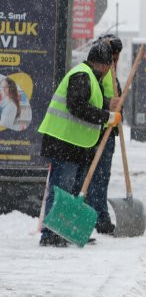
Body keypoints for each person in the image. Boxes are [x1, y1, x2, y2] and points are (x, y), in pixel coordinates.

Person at [37, 40, 122, 246]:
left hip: (76, 146)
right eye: (108, 66)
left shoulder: (91, 78)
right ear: (101, 64)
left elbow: (88, 102)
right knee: (62, 189)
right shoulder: (82, 75)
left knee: (74, 191)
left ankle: (66, 230)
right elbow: (76, 106)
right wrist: (105, 116)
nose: (108, 70)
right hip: (64, 142)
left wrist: (106, 106)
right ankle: (50, 234)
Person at [86, 34, 124, 235]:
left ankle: (98, 217)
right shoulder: (98, 71)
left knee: (100, 177)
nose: (116, 62)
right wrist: (110, 108)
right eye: (114, 58)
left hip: (107, 129)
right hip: (99, 130)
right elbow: (98, 97)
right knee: (96, 177)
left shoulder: (110, 72)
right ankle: (98, 219)